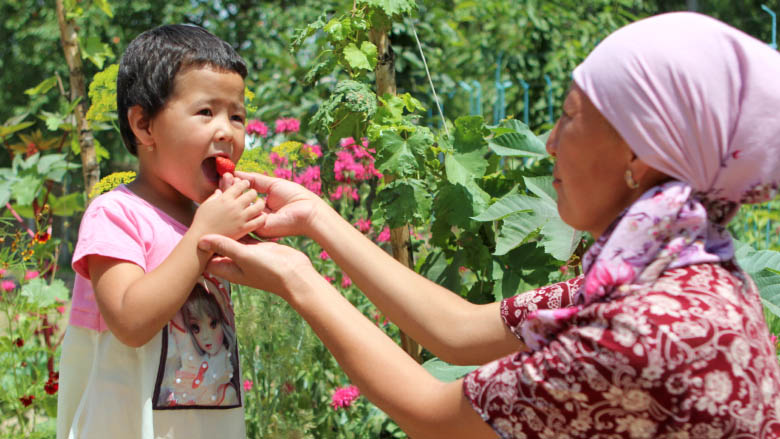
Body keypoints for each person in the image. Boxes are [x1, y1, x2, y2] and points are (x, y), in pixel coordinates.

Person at [198, 12, 780, 439]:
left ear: (643, 154)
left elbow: (433, 413)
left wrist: (298, 278)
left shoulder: (648, 327)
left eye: (571, 117)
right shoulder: (669, 275)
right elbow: (460, 329)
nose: (551, 142)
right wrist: (316, 218)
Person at [57, 24, 264, 439]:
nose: (227, 130)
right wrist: (203, 235)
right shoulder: (116, 214)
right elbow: (131, 322)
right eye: (206, 112)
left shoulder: (209, 216)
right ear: (144, 126)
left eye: (237, 115)